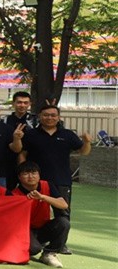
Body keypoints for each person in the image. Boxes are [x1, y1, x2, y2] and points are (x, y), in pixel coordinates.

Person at [9, 104, 91, 248]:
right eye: (46, 115)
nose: (49, 118)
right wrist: (23, 173)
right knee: (28, 211)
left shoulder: (67, 135)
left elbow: (83, 152)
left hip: (61, 180)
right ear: (40, 117)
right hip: (35, 181)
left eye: (53, 115)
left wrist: (87, 142)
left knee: (63, 214)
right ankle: (27, 239)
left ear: (58, 117)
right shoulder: (31, 134)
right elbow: (22, 153)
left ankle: (57, 245)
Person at [14, 161, 70, 268]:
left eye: (34, 173)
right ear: (19, 177)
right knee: (34, 249)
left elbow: (63, 205)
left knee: (64, 223)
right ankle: (22, 247)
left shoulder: (47, 185)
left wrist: (42, 197)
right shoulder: (14, 194)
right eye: (26, 173)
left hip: (43, 227)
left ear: (39, 175)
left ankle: (49, 253)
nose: (31, 176)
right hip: (25, 231)